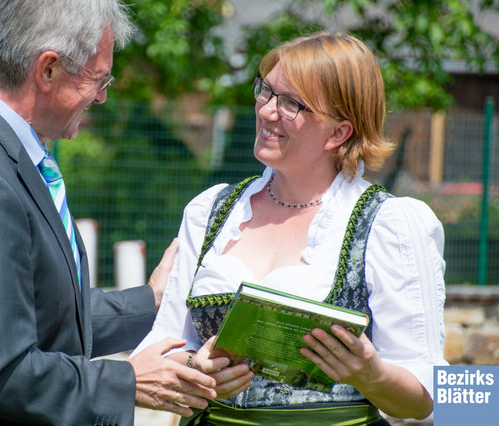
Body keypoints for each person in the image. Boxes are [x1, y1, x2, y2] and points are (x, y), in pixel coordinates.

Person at [0, 1, 229, 425]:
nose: (102, 96)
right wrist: (129, 381)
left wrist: (152, 303)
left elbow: (42, 315)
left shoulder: (8, 155)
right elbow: (1, 376)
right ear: (48, 70)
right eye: (99, 79)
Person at [132, 31, 448, 425]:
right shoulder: (210, 210)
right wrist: (198, 368)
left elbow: (430, 398)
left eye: (291, 104)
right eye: (265, 91)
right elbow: (163, 345)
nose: (265, 111)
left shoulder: (390, 224)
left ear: (339, 132)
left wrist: (373, 376)